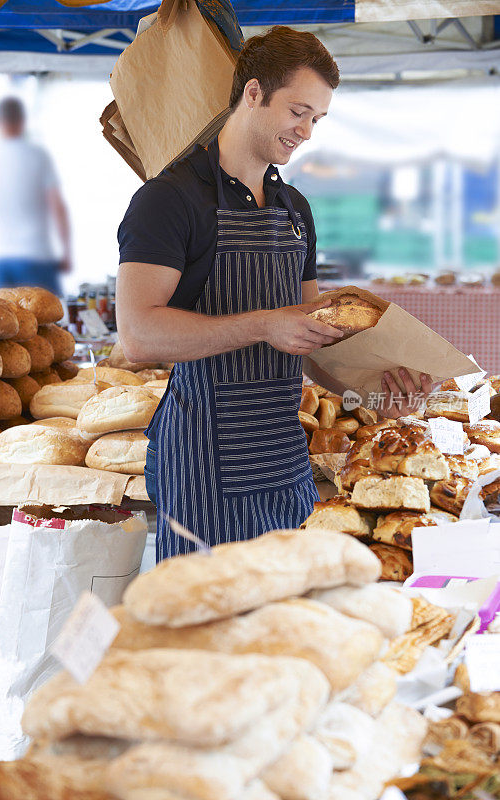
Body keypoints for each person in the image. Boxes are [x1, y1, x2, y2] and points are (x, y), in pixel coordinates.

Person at [116, 26, 433, 561]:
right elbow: (139, 334)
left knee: (288, 622)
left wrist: (378, 392)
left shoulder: (294, 209)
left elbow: (312, 335)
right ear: (254, 92)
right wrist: (265, 323)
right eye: (298, 111)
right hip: (204, 462)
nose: (306, 131)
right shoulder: (168, 200)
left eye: (317, 119)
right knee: (216, 629)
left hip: (286, 460)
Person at [0, 97, 71, 294]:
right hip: (36, 254)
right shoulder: (38, 156)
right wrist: (66, 252)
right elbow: (57, 207)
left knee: (2, 323)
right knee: (47, 320)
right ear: (22, 122)